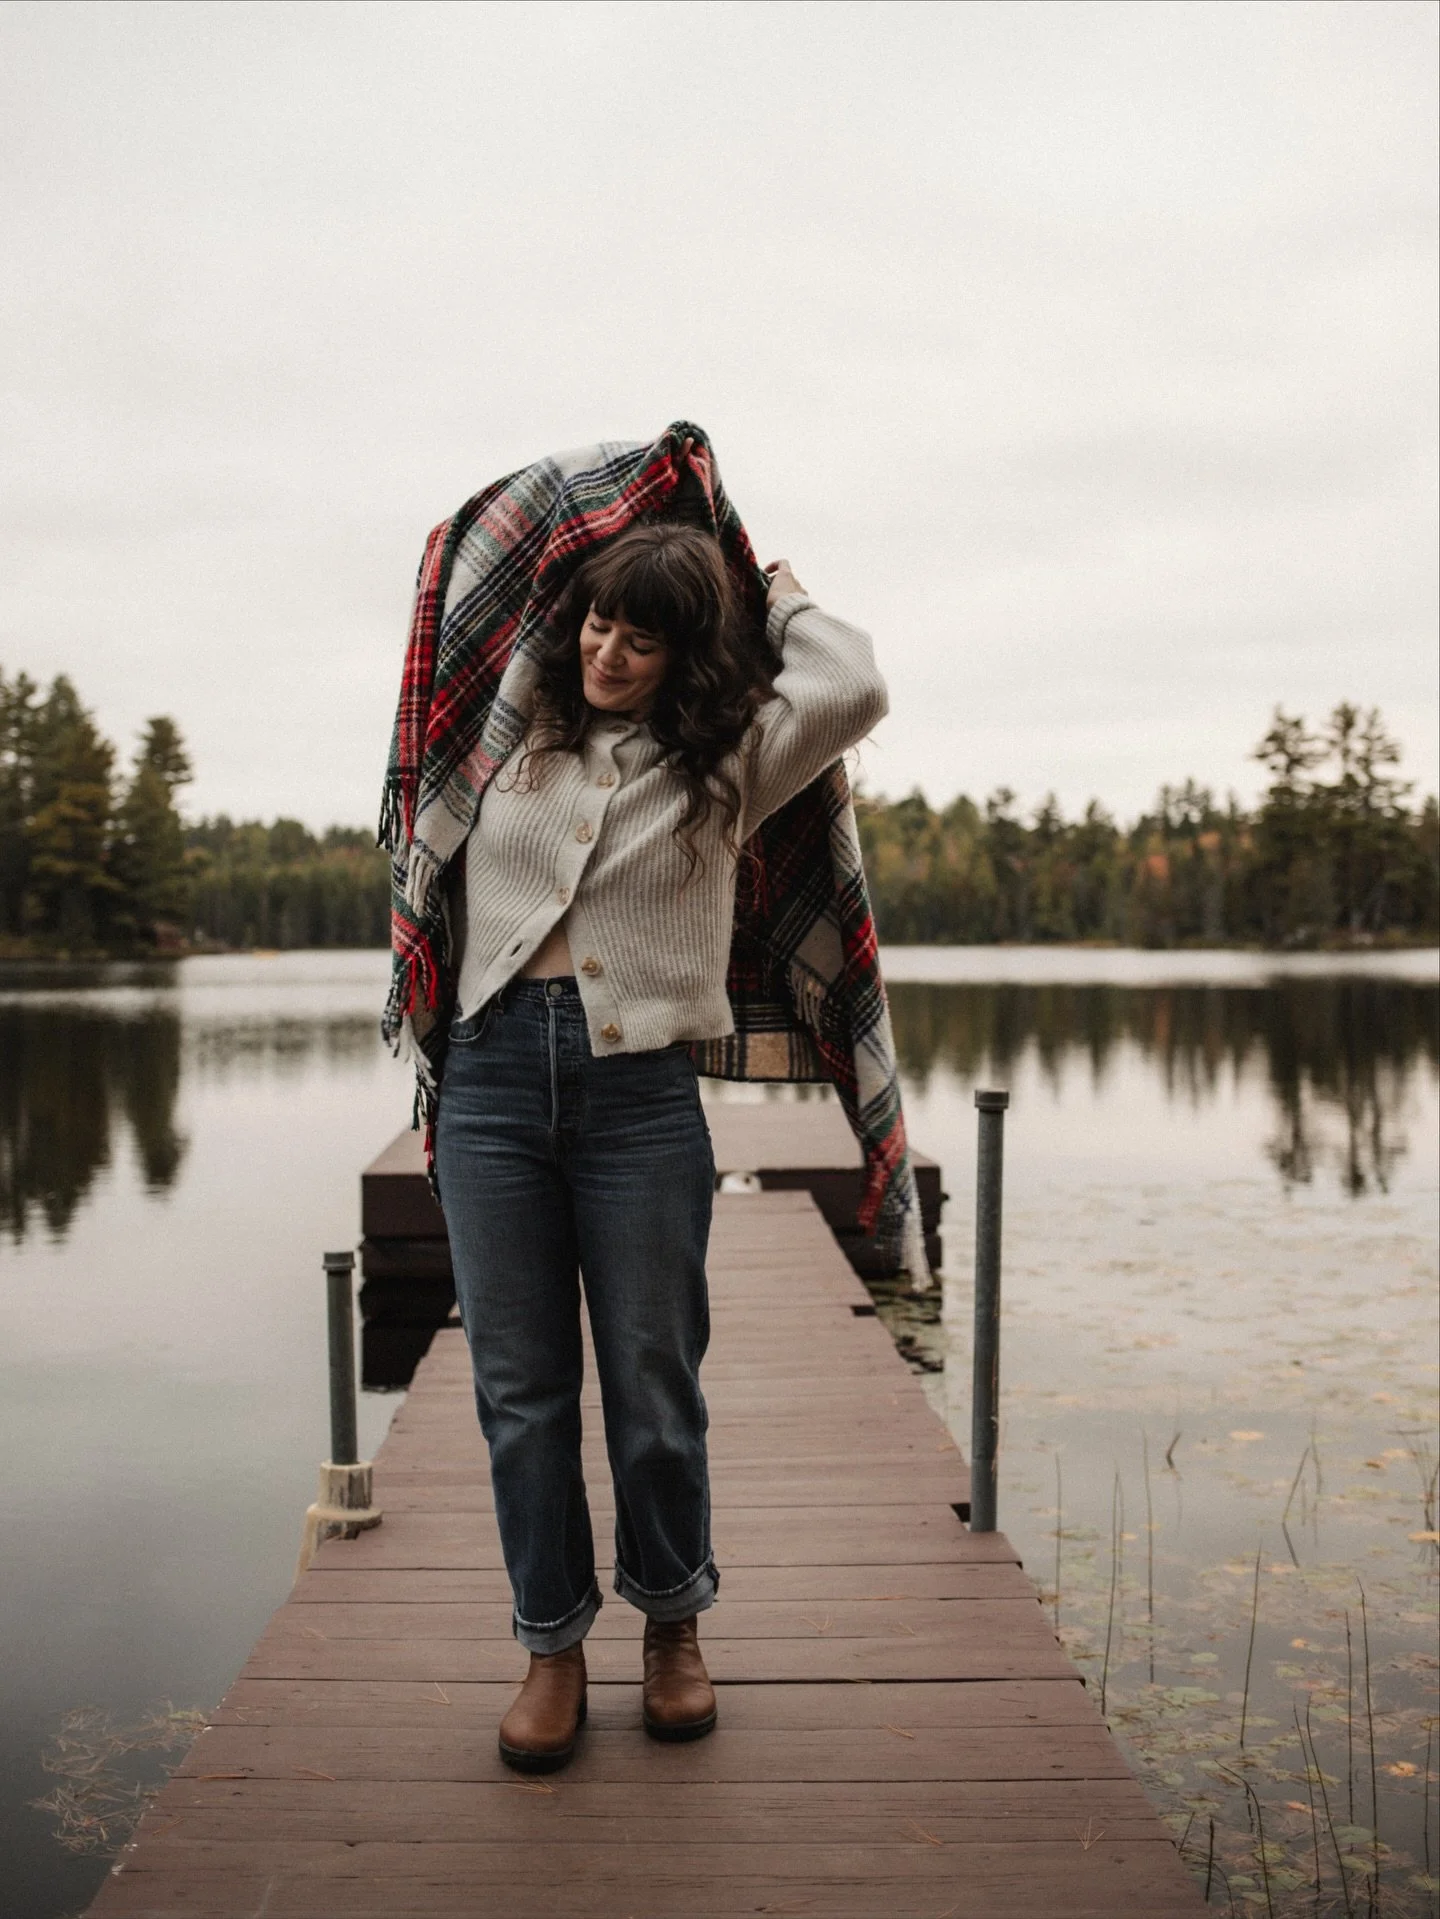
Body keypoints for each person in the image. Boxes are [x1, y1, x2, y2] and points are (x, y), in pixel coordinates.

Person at [434, 517, 889, 1772]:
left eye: (643, 633)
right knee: (520, 1394)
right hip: (488, 1082)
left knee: (655, 1385)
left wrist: (775, 584)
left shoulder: (727, 764)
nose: (610, 651)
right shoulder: (507, 741)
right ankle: (551, 1646)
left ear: (686, 651)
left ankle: (674, 1627)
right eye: (597, 621)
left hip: (637, 1096)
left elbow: (854, 685)